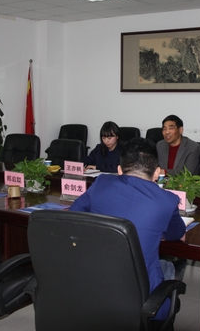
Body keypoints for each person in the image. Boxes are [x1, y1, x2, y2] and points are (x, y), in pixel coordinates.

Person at [70, 137, 185, 320]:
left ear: (119, 169)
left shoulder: (100, 183)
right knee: (168, 266)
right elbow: (176, 234)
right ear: (157, 172)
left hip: (93, 288)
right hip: (143, 300)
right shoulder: (168, 200)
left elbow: (72, 215)